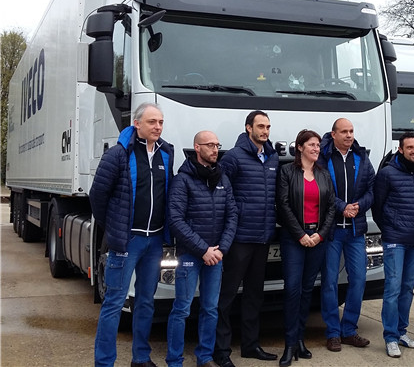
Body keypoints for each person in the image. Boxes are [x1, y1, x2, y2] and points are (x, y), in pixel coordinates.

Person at [90, 102, 174, 367]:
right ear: (137, 124)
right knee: (114, 302)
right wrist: (115, 228)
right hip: (128, 241)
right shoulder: (118, 154)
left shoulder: (166, 154)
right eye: (152, 122)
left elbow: (168, 195)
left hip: (155, 241)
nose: (158, 127)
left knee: (146, 302)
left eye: (160, 122)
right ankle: (105, 362)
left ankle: (141, 357)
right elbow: (97, 195)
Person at [165, 131, 238, 367]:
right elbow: (176, 220)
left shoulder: (222, 179)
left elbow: (232, 215)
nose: (215, 149)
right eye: (210, 145)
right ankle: (174, 360)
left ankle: (204, 357)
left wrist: (221, 249)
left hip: (216, 256)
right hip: (191, 256)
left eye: (217, 145)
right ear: (197, 148)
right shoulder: (183, 180)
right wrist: (203, 250)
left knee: (210, 308)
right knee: (182, 309)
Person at [214, 111, 279, 367]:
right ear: (248, 128)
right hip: (239, 238)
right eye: (261, 126)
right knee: (227, 295)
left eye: (268, 127)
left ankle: (251, 346)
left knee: (255, 295)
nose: (265, 131)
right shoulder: (233, 157)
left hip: (262, 238)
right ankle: (221, 351)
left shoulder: (272, 157)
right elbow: (222, 194)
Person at [276, 129, 336, 367]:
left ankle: (301, 339)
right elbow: (282, 205)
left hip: (317, 240)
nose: (316, 149)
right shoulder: (287, 172)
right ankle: (290, 344)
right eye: (311, 145)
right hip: (294, 239)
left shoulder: (323, 173)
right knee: (292, 290)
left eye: (318, 145)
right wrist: (300, 234)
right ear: (299, 147)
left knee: (307, 289)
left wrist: (320, 235)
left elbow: (331, 206)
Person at [372, 132, 414, 358]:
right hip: (395, 241)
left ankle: (401, 332)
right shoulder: (387, 174)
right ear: (401, 149)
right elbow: (378, 207)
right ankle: (390, 337)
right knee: (393, 289)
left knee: (407, 288)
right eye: (410, 148)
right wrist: (390, 229)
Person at [318, 118, 375, 352]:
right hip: (332, 231)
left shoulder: (361, 157)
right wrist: (342, 206)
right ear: (333, 134)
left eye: (351, 131)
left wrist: (359, 206)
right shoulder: (324, 157)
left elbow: (373, 187)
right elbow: (322, 188)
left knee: (359, 280)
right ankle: (333, 332)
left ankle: (349, 330)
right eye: (344, 132)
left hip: (355, 230)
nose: (349, 135)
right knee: (329, 283)